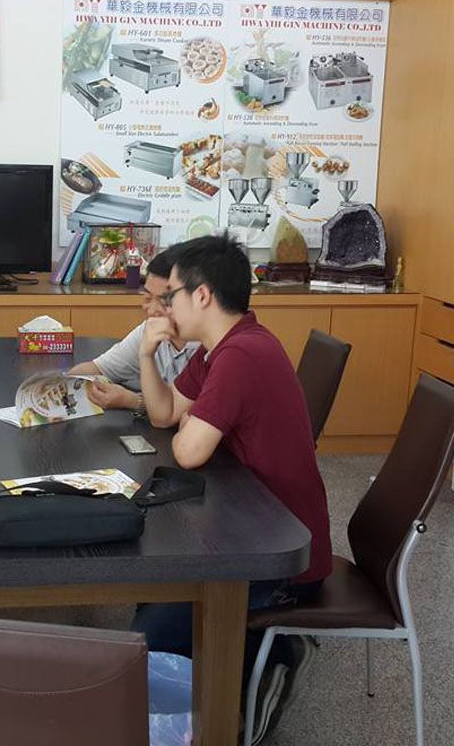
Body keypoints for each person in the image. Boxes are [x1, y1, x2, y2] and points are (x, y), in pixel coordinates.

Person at [133, 235, 332, 744]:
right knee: (152, 599)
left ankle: (265, 666)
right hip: (252, 525)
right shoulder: (221, 347)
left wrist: (192, 424)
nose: (165, 308)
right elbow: (164, 414)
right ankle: (246, 659)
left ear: (201, 296)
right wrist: (147, 355)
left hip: (282, 557)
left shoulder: (243, 353)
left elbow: (188, 451)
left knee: (151, 633)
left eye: (171, 296)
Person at [68, 245, 200, 414]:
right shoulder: (150, 329)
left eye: (164, 301)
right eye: (147, 298)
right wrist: (61, 383)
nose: (151, 311)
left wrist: (132, 400)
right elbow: (99, 368)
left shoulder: (210, 347)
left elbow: (186, 415)